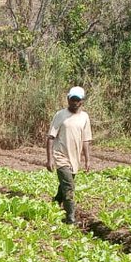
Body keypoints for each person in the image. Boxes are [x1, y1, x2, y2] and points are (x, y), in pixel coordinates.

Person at [45, 86, 93, 224]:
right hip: (61, 157)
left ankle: (54, 203)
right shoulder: (60, 115)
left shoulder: (84, 117)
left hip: (74, 159)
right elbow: (50, 137)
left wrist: (87, 160)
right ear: (68, 99)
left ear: (82, 101)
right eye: (72, 99)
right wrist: (50, 160)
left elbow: (85, 140)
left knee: (65, 185)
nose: (74, 102)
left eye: (77, 100)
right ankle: (70, 219)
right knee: (69, 187)